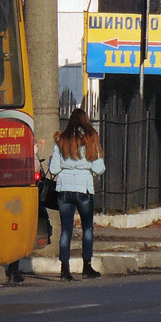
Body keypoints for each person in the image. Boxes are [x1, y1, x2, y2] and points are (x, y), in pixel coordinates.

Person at [49, 108, 106, 280]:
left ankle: (64, 269)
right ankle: (86, 267)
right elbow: (98, 168)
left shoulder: (62, 141)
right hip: (84, 190)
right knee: (87, 228)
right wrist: (86, 165)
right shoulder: (90, 140)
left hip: (64, 190)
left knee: (66, 230)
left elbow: (54, 169)